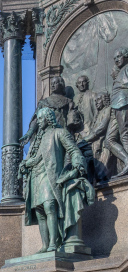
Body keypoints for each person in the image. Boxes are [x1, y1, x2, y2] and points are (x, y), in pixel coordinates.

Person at [20, 107, 89, 253]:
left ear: (48, 118)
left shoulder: (60, 132)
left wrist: (77, 166)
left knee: (49, 206)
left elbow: (74, 150)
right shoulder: (36, 140)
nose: (38, 122)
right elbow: (31, 159)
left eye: (40, 119)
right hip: (35, 177)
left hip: (49, 176)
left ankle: (53, 243)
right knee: (39, 212)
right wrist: (24, 165)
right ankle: (45, 245)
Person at [20, 76, 80, 146]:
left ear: (61, 84)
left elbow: (71, 120)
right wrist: (29, 133)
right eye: (51, 83)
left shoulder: (68, 102)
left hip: (62, 132)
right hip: (47, 134)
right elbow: (36, 119)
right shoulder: (43, 102)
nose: (52, 85)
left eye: (55, 83)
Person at [82, 93, 113, 182]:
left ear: (104, 100)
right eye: (95, 100)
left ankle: (99, 177)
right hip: (95, 142)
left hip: (102, 142)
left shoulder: (108, 109)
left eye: (98, 99)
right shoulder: (98, 113)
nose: (96, 102)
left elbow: (102, 127)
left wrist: (86, 139)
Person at [107, 48, 128, 177]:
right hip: (116, 105)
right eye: (115, 57)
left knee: (124, 133)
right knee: (109, 140)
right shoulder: (120, 72)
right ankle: (126, 160)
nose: (116, 59)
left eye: (119, 56)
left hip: (123, 102)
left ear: (126, 56)